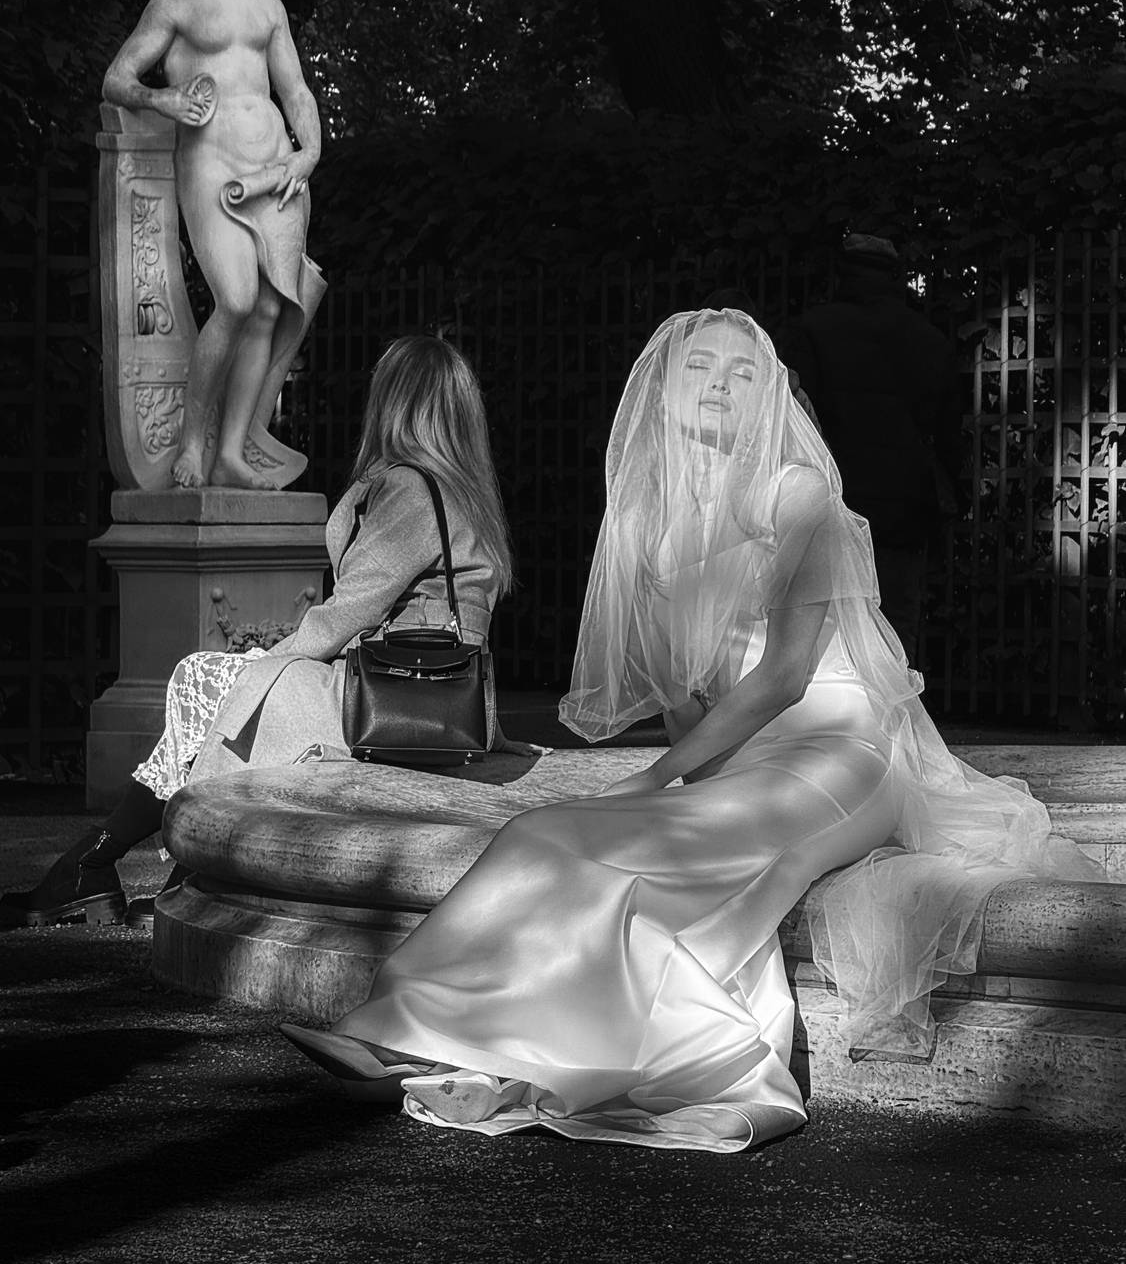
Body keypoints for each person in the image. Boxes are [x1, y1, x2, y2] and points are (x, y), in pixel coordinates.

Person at [280, 309, 1095, 1154]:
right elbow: (682, 696)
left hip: (840, 753)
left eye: (744, 372)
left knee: (631, 854)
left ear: (770, 395)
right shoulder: (650, 524)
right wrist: (675, 786)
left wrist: (653, 778)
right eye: (700, 367)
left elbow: (784, 678)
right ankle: (400, 1029)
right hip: (740, 764)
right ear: (664, 390)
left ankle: (473, 1048)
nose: (719, 384)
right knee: (540, 833)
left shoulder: (800, 496)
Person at [0, 338, 515, 930]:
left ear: (393, 402)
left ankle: (112, 864)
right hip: (426, 696)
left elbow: (348, 611)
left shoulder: (412, 490)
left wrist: (270, 659)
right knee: (223, 684)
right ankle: (121, 866)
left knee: (208, 676)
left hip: (391, 701)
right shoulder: (464, 493)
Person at [102, 0, 324, 489]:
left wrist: (309, 152)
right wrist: (165, 100)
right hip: (211, 164)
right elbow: (117, 78)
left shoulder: (266, 3)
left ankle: (230, 451)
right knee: (236, 299)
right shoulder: (175, 2)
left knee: (268, 309)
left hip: (274, 168)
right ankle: (192, 444)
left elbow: (296, 91)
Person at [776, 234, 963, 665]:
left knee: (826, 634)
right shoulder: (929, 340)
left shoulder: (813, 330)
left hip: (833, 500)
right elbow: (949, 437)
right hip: (904, 507)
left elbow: (795, 421)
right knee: (895, 631)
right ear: (894, 276)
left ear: (843, 272)